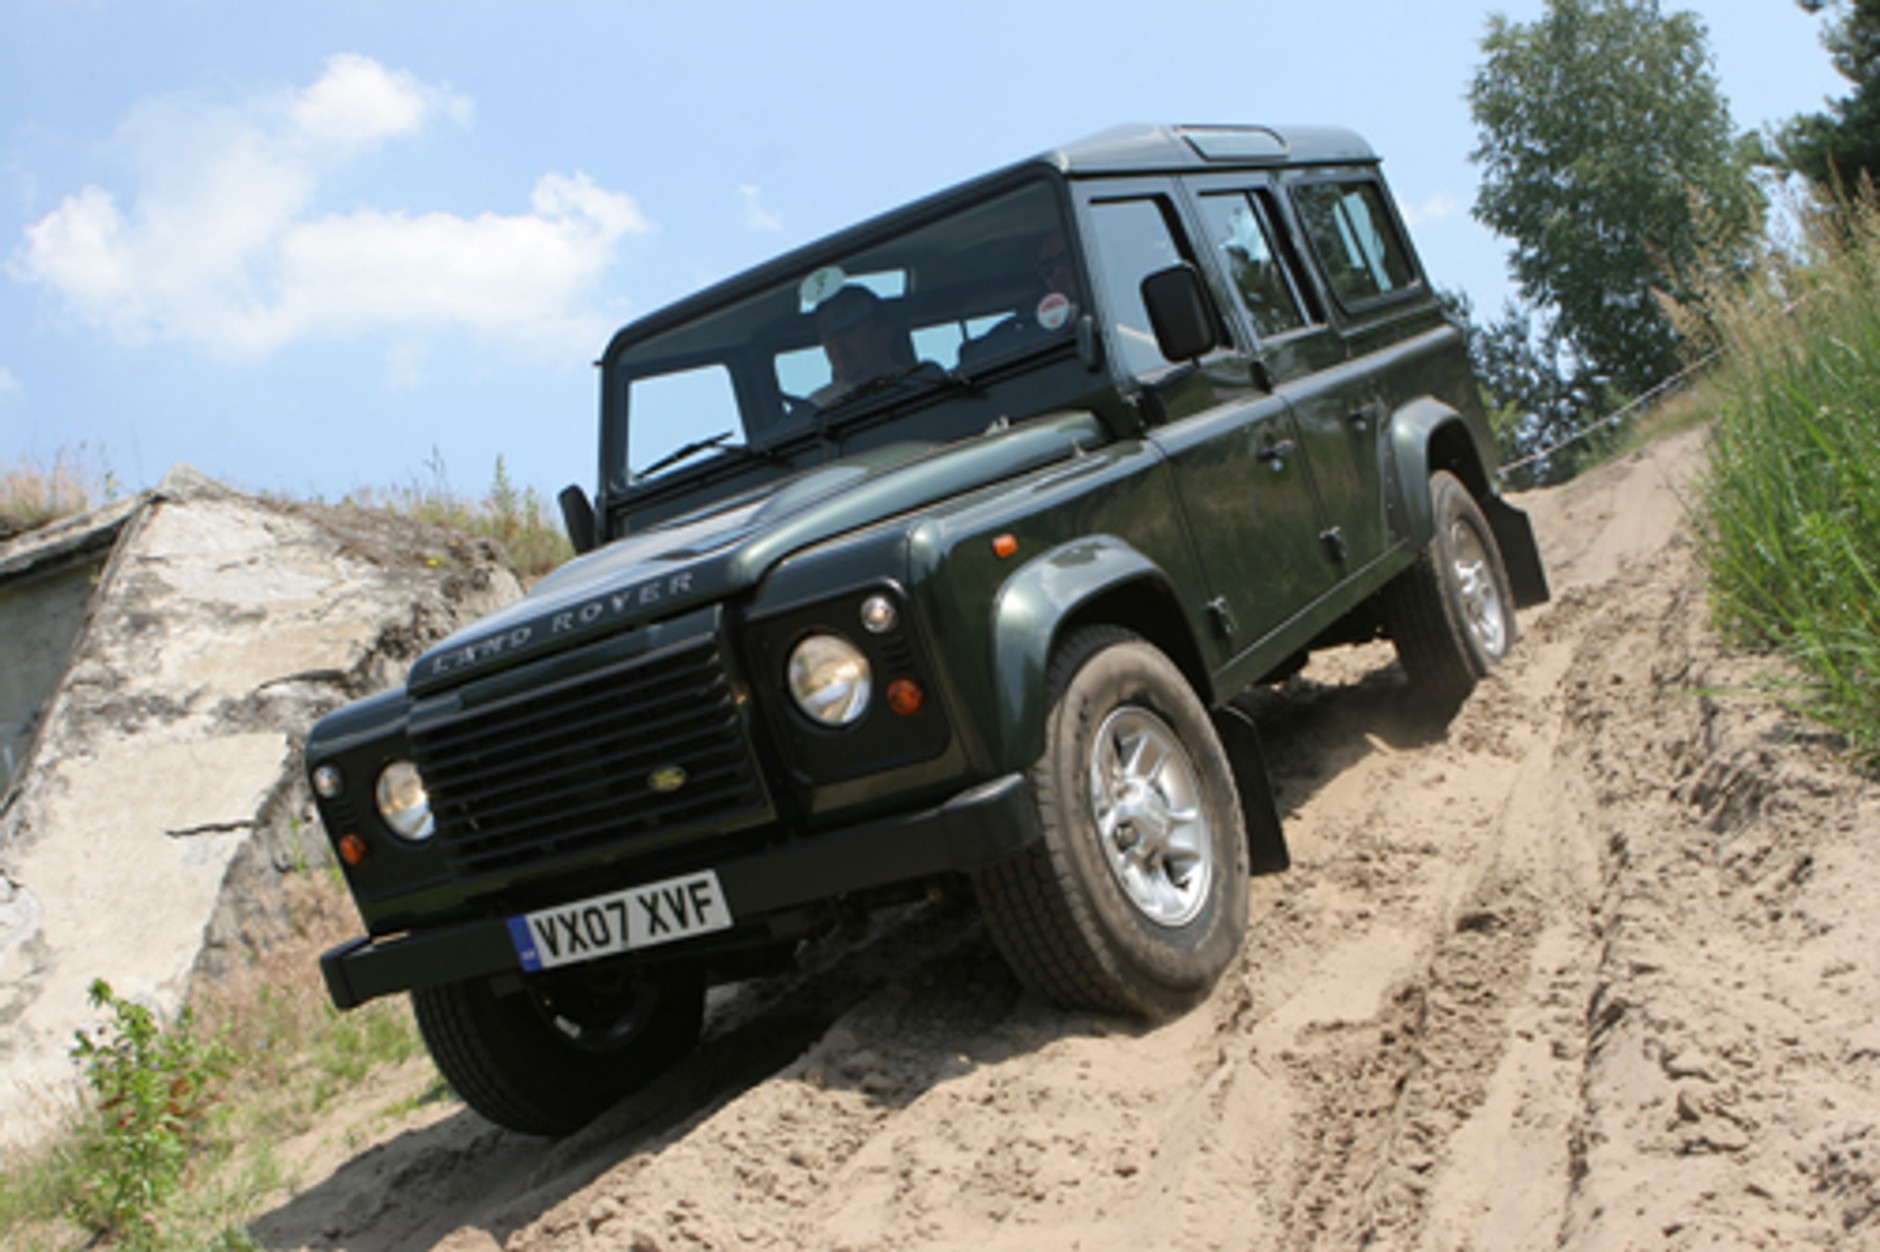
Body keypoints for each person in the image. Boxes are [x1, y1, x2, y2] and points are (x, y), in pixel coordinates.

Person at [811, 285, 903, 406]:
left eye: (848, 332)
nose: (838, 346)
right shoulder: (817, 410)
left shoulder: (923, 387)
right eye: (829, 337)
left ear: (883, 333)